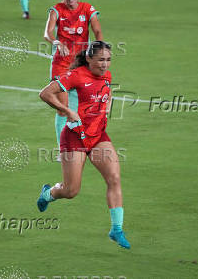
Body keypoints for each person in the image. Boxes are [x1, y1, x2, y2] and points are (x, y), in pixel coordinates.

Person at [37, 41, 130, 249]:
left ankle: (116, 229)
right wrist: (68, 112)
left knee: (114, 178)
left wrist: (104, 111)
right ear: (89, 59)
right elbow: (45, 94)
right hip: (74, 138)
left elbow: (107, 92)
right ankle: (48, 193)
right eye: (100, 60)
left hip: (97, 137)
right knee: (71, 191)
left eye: (108, 60)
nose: (105, 65)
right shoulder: (75, 75)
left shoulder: (107, 75)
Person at [44, 0, 103, 158]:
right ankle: (62, 149)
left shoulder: (87, 9)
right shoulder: (57, 10)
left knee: (81, 108)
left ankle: (81, 142)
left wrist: (98, 48)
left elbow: (97, 30)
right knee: (63, 108)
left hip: (80, 66)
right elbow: (48, 32)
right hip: (61, 65)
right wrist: (56, 42)